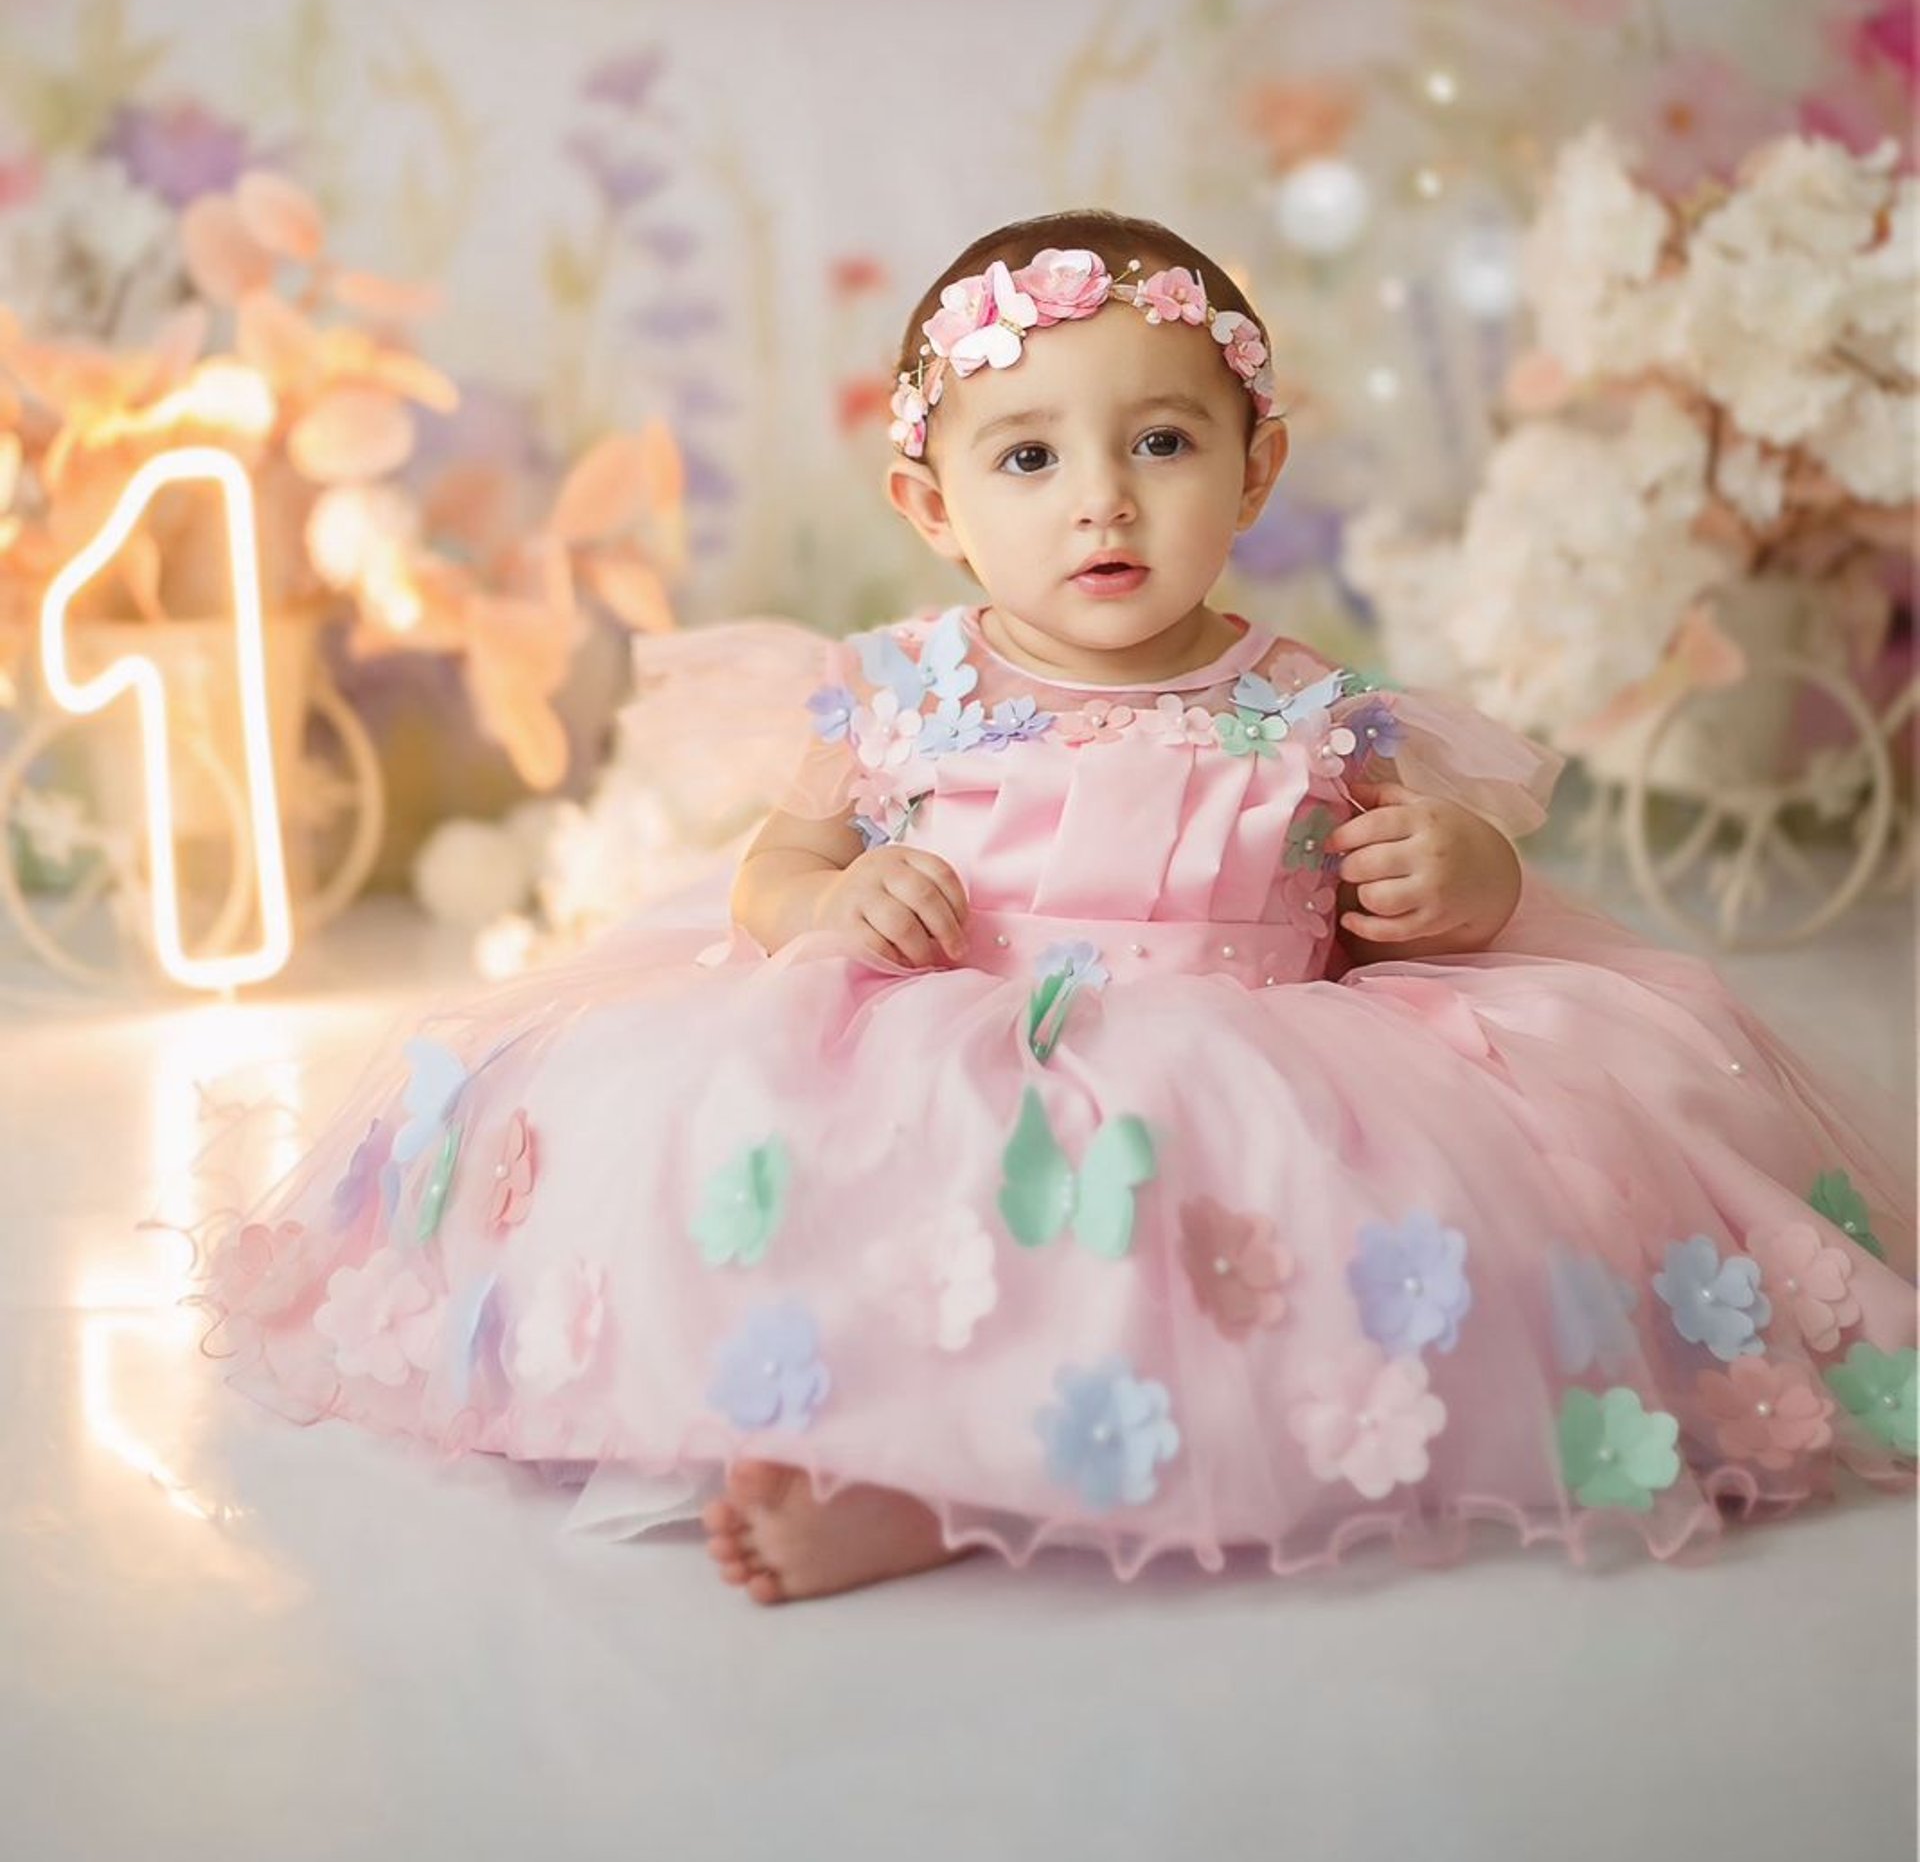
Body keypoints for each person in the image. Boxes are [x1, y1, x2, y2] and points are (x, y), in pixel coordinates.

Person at [189, 211, 1918, 1606]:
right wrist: (834, 899)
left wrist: (1464, 884)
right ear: (931, 506)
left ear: (1253, 470)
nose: (1101, 496)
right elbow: (771, 873)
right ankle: (885, 1457)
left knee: (1230, 1248)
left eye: (1161, 441)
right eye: (1027, 457)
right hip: (944, 1024)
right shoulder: (898, 694)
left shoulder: (1312, 706)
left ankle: (960, 1488)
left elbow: (1428, 884)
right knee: (859, 1200)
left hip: (1250, 1065)